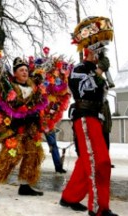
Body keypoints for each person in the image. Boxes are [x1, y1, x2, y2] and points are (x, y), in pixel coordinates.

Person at [59, 48, 118, 216]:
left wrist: (102, 73)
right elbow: (83, 89)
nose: (98, 56)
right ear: (88, 53)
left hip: (96, 118)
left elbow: (102, 95)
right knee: (99, 162)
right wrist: (99, 72)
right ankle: (99, 207)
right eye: (96, 52)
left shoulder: (95, 71)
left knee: (86, 161)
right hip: (85, 116)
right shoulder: (79, 69)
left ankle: (69, 197)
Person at [0, 57, 44, 196]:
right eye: (21, 70)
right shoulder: (8, 88)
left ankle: (25, 185)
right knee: (12, 154)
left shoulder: (34, 88)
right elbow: (3, 108)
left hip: (31, 127)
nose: (24, 72)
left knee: (33, 154)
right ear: (15, 73)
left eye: (26, 70)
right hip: (14, 127)